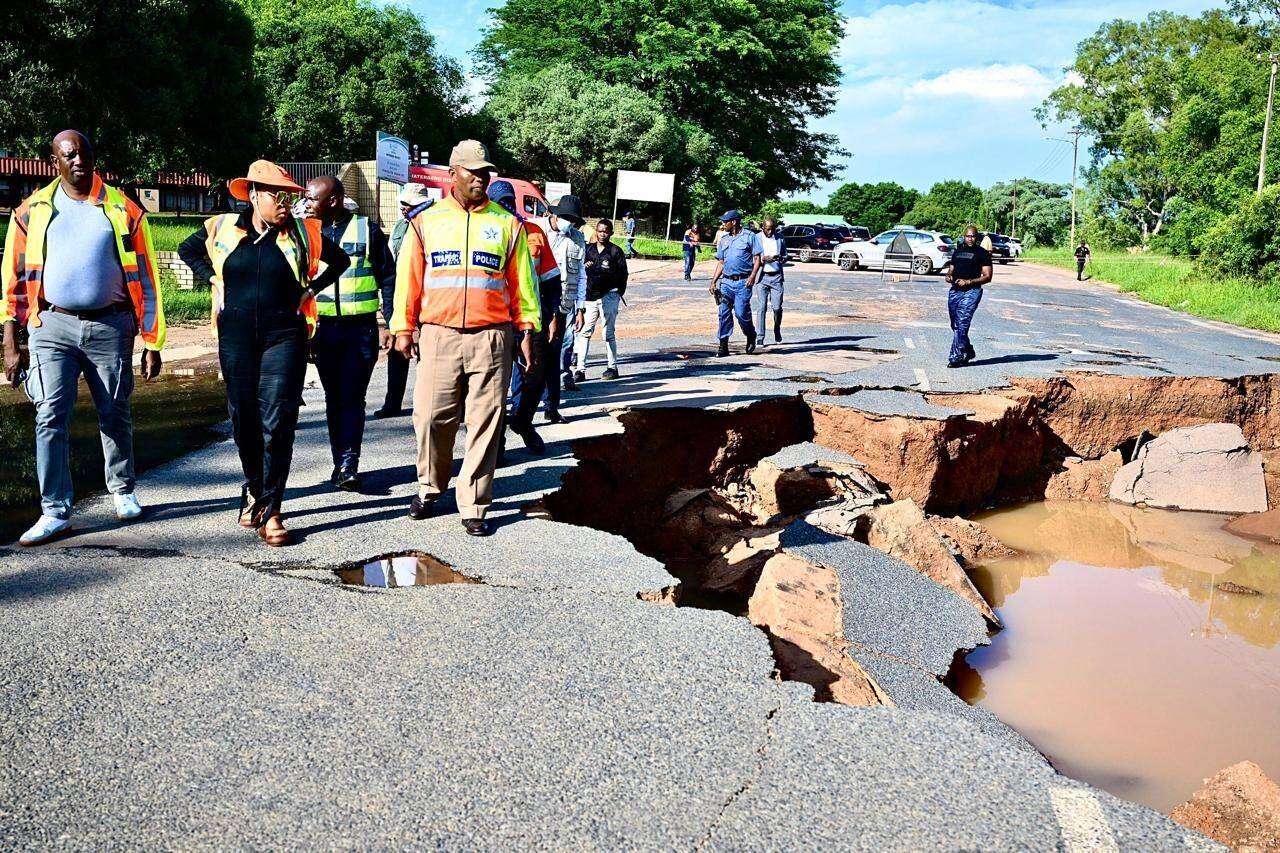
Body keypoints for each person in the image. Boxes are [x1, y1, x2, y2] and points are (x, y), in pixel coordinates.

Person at [1, 130, 166, 546]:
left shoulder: (121, 208)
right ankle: (55, 511)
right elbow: (12, 279)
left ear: (94, 157)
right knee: (50, 414)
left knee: (114, 410)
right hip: (50, 326)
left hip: (110, 326)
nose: (78, 160)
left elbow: (147, 277)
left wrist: (152, 339)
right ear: (54, 161)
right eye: (69, 155)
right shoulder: (33, 210)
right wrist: (10, 342)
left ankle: (123, 491)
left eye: (84, 153)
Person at [179, 160, 349, 545]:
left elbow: (340, 262)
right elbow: (187, 249)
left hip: (283, 336)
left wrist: (312, 288)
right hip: (235, 337)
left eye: (289, 195)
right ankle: (254, 489)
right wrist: (212, 280)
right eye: (276, 194)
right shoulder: (222, 227)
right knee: (244, 422)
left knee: (279, 422)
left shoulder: (304, 232)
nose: (285, 202)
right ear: (253, 194)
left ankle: (271, 510)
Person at [390, 140, 540, 537]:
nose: (482, 178)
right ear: (453, 172)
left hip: (492, 337)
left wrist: (527, 328)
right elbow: (409, 280)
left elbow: (523, 283)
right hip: (438, 335)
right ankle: (431, 485)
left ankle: (474, 502)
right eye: (474, 171)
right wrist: (402, 327)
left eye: (486, 171)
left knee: (485, 422)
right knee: (431, 418)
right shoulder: (425, 221)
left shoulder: (508, 224)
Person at [302, 177, 397, 491]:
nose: (306, 204)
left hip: (360, 330)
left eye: (312, 199)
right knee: (334, 398)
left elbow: (388, 278)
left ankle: (348, 463)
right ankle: (338, 460)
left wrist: (393, 324)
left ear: (332, 200)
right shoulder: (306, 234)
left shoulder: (366, 230)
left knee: (352, 397)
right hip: (323, 331)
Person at [488, 179, 560, 454]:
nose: (506, 206)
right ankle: (498, 443)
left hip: (530, 319)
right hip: (494, 321)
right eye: (500, 201)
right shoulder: (484, 233)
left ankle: (522, 422)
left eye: (509, 201)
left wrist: (553, 314)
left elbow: (552, 280)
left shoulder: (533, 232)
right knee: (495, 386)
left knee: (533, 378)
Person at [378, 183, 434, 419]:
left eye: (409, 204)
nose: (404, 208)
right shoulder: (401, 226)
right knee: (398, 352)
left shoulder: (434, 223)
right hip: (403, 296)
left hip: (429, 301)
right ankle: (393, 403)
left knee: (431, 358)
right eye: (403, 203)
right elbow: (391, 264)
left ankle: (431, 405)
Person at [574, 219, 627, 382]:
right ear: (595, 232)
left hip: (609, 296)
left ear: (610, 233)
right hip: (590, 297)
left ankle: (612, 367)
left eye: (605, 231)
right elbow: (580, 273)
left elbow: (623, 275)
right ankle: (580, 370)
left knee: (608, 333)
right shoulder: (588, 250)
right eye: (599, 231)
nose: (602, 234)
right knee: (584, 332)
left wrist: (617, 294)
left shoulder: (615, 252)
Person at [548, 196, 587, 401]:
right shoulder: (536, 231)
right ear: (554, 214)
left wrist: (580, 308)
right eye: (565, 218)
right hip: (541, 301)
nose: (569, 223)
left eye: (573, 220)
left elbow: (581, 275)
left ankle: (563, 378)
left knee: (566, 342)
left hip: (567, 302)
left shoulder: (577, 238)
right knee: (541, 344)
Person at [709, 209, 761, 357]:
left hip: (743, 282)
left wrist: (752, 276)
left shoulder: (749, 237)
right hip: (726, 282)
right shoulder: (724, 239)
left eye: (726, 221)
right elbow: (721, 262)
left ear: (734, 222)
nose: (723, 224)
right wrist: (714, 281)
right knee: (723, 313)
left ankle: (750, 334)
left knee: (741, 313)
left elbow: (757, 258)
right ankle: (723, 345)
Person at [940, 225, 993, 369]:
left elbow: (988, 277)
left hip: (972, 292)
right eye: (968, 236)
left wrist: (969, 281)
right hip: (955, 291)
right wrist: (949, 276)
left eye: (973, 236)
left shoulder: (982, 254)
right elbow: (951, 269)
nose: (970, 239)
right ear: (964, 236)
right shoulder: (958, 251)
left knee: (961, 324)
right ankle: (968, 350)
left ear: (977, 238)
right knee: (955, 325)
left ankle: (956, 357)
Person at [755, 217, 788, 346]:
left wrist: (781, 259)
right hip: (762, 277)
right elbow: (753, 256)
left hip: (776, 277)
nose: (770, 232)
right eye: (768, 229)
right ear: (763, 227)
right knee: (761, 307)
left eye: (772, 229)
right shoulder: (757, 238)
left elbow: (786, 255)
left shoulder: (779, 238)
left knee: (777, 308)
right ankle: (760, 336)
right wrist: (763, 259)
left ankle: (777, 329)